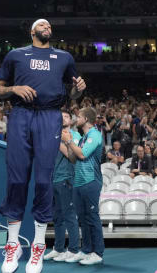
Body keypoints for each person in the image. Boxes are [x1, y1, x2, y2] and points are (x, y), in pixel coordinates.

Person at [0, 18, 87, 273]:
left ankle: (38, 246)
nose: (47, 27)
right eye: (42, 25)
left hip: (50, 116)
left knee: (44, 180)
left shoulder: (64, 57)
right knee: (16, 180)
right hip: (21, 115)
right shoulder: (16, 55)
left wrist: (79, 88)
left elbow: (74, 94)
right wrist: (14, 88)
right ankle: (12, 245)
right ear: (32, 31)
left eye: (50, 26)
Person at [60, 107, 105, 265]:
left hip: (91, 181)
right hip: (78, 182)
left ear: (86, 119)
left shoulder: (95, 135)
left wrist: (69, 141)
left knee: (92, 217)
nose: (76, 118)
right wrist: (65, 142)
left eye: (78, 116)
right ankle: (87, 250)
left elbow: (82, 154)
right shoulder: (85, 137)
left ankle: (98, 252)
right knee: (83, 219)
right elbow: (74, 158)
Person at [43, 111, 85, 263]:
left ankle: (73, 249)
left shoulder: (75, 135)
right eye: (60, 116)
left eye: (66, 116)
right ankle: (58, 249)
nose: (62, 118)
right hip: (54, 179)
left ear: (71, 121)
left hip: (68, 178)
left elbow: (72, 156)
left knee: (69, 215)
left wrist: (60, 140)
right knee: (57, 217)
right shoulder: (53, 136)